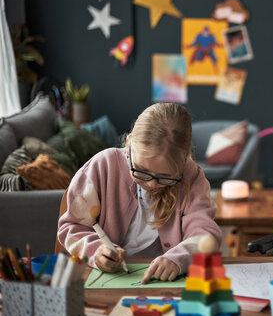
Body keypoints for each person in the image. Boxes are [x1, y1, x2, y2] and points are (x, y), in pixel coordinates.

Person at [57, 103, 221, 283]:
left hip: (162, 282)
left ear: (183, 162)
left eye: (165, 177)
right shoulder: (103, 166)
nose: (151, 184)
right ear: (128, 146)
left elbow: (206, 235)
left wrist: (178, 258)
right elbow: (71, 227)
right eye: (141, 170)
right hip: (106, 279)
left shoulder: (192, 177)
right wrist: (96, 252)